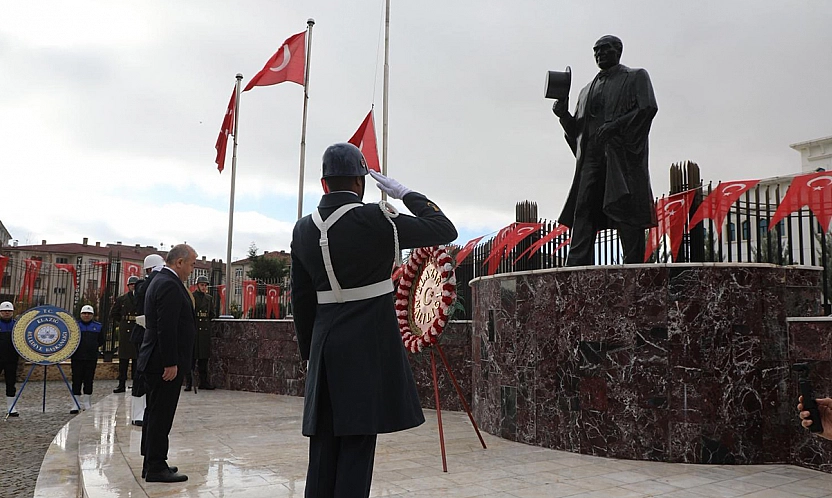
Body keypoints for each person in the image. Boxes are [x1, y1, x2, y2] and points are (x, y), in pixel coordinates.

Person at [291, 142, 457, 497]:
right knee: (356, 445)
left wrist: (310, 355)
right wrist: (407, 194)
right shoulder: (376, 219)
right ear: (360, 182)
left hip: (323, 346)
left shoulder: (302, 229)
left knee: (322, 450)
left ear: (324, 184)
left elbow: (301, 300)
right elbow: (443, 228)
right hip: (366, 345)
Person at [552, 35, 658, 266]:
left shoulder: (636, 76)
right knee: (583, 210)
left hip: (621, 157)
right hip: (591, 159)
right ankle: (576, 267)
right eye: (596, 50)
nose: (599, 53)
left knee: (625, 209)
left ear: (618, 50)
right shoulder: (585, 90)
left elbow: (647, 108)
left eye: (605, 49)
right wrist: (563, 115)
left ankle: (634, 267)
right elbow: (578, 133)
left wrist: (615, 126)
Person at [136, 244, 196, 483]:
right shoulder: (169, 284)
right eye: (191, 264)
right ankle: (155, 466)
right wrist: (171, 362)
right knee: (161, 415)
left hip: (156, 359)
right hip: (163, 362)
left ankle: (151, 461)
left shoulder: (159, 280)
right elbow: (166, 326)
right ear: (179, 262)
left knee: (154, 414)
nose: (192, 270)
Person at [130, 254, 166, 426]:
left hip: (153, 333)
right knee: (140, 374)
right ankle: (137, 413)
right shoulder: (143, 285)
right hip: (142, 333)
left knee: (151, 374)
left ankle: (146, 410)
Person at [70, 305, 105, 414]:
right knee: (76, 380)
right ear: (80, 314)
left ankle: (87, 403)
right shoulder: (75, 326)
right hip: (77, 357)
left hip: (91, 358)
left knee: (89, 380)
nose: (86, 315)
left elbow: (101, 341)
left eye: (89, 314)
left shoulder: (98, 326)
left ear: (92, 315)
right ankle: (75, 403)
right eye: (84, 313)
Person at [112, 275, 140, 393]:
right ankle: (121, 383)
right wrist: (123, 321)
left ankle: (136, 384)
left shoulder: (141, 299)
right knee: (123, 360)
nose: (133, 287)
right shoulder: (121, 299)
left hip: (137, 327)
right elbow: (114, 313)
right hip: (125, 330)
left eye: (135, 285)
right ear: (128, 286)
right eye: (131, 285)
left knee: (136, 360)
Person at [186, 275, 215, 391]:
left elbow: (212, 314)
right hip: (195, 329)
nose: (204, 287)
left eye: (205, 285)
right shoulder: (192, 297)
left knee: (203, 359)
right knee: (191, 359)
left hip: (204, 331)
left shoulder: (209, 298)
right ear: (197, 285)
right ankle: (189, 383)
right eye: (202, 285)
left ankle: (204, 382)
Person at [1, 301, 20, 417]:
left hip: (12, 359)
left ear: (12, 312)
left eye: (9, 311)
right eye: (4, 311)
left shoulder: (17, 325)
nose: (6, 313)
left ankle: (11, 407)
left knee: (11, 383)